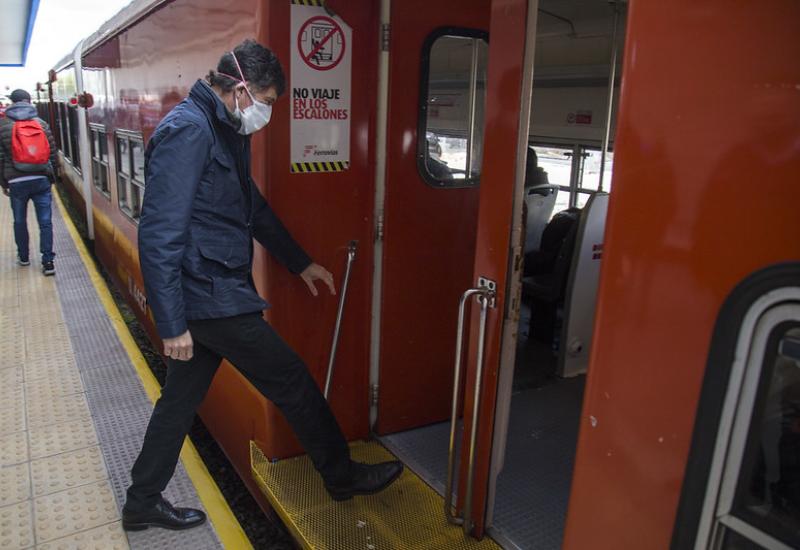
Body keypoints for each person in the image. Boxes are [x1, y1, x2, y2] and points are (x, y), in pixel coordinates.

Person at [122, 39, 402, 532]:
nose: (268, 111)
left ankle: (142, 500)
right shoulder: (189, 131)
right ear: (242, 89)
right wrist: (172, 325)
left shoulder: (223, 126)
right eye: (268, 100)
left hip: (211, 293)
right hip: (209, 297)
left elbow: (254, 208)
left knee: (179, 401)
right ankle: (340, 476)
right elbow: (160, 233)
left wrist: (301, 264)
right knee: (292, 380)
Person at [0, 89, 57, 275]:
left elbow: (0, 158)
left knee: (19, 220)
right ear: (28, 101)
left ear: (12, 102)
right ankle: (48, 262)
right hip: (41, 179)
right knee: (45, 221)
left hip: (16, 181)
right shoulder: (41, 123)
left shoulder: (3, 125)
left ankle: (23, 257)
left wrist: (4, 183)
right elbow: (52, 152)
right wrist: (51, 176)